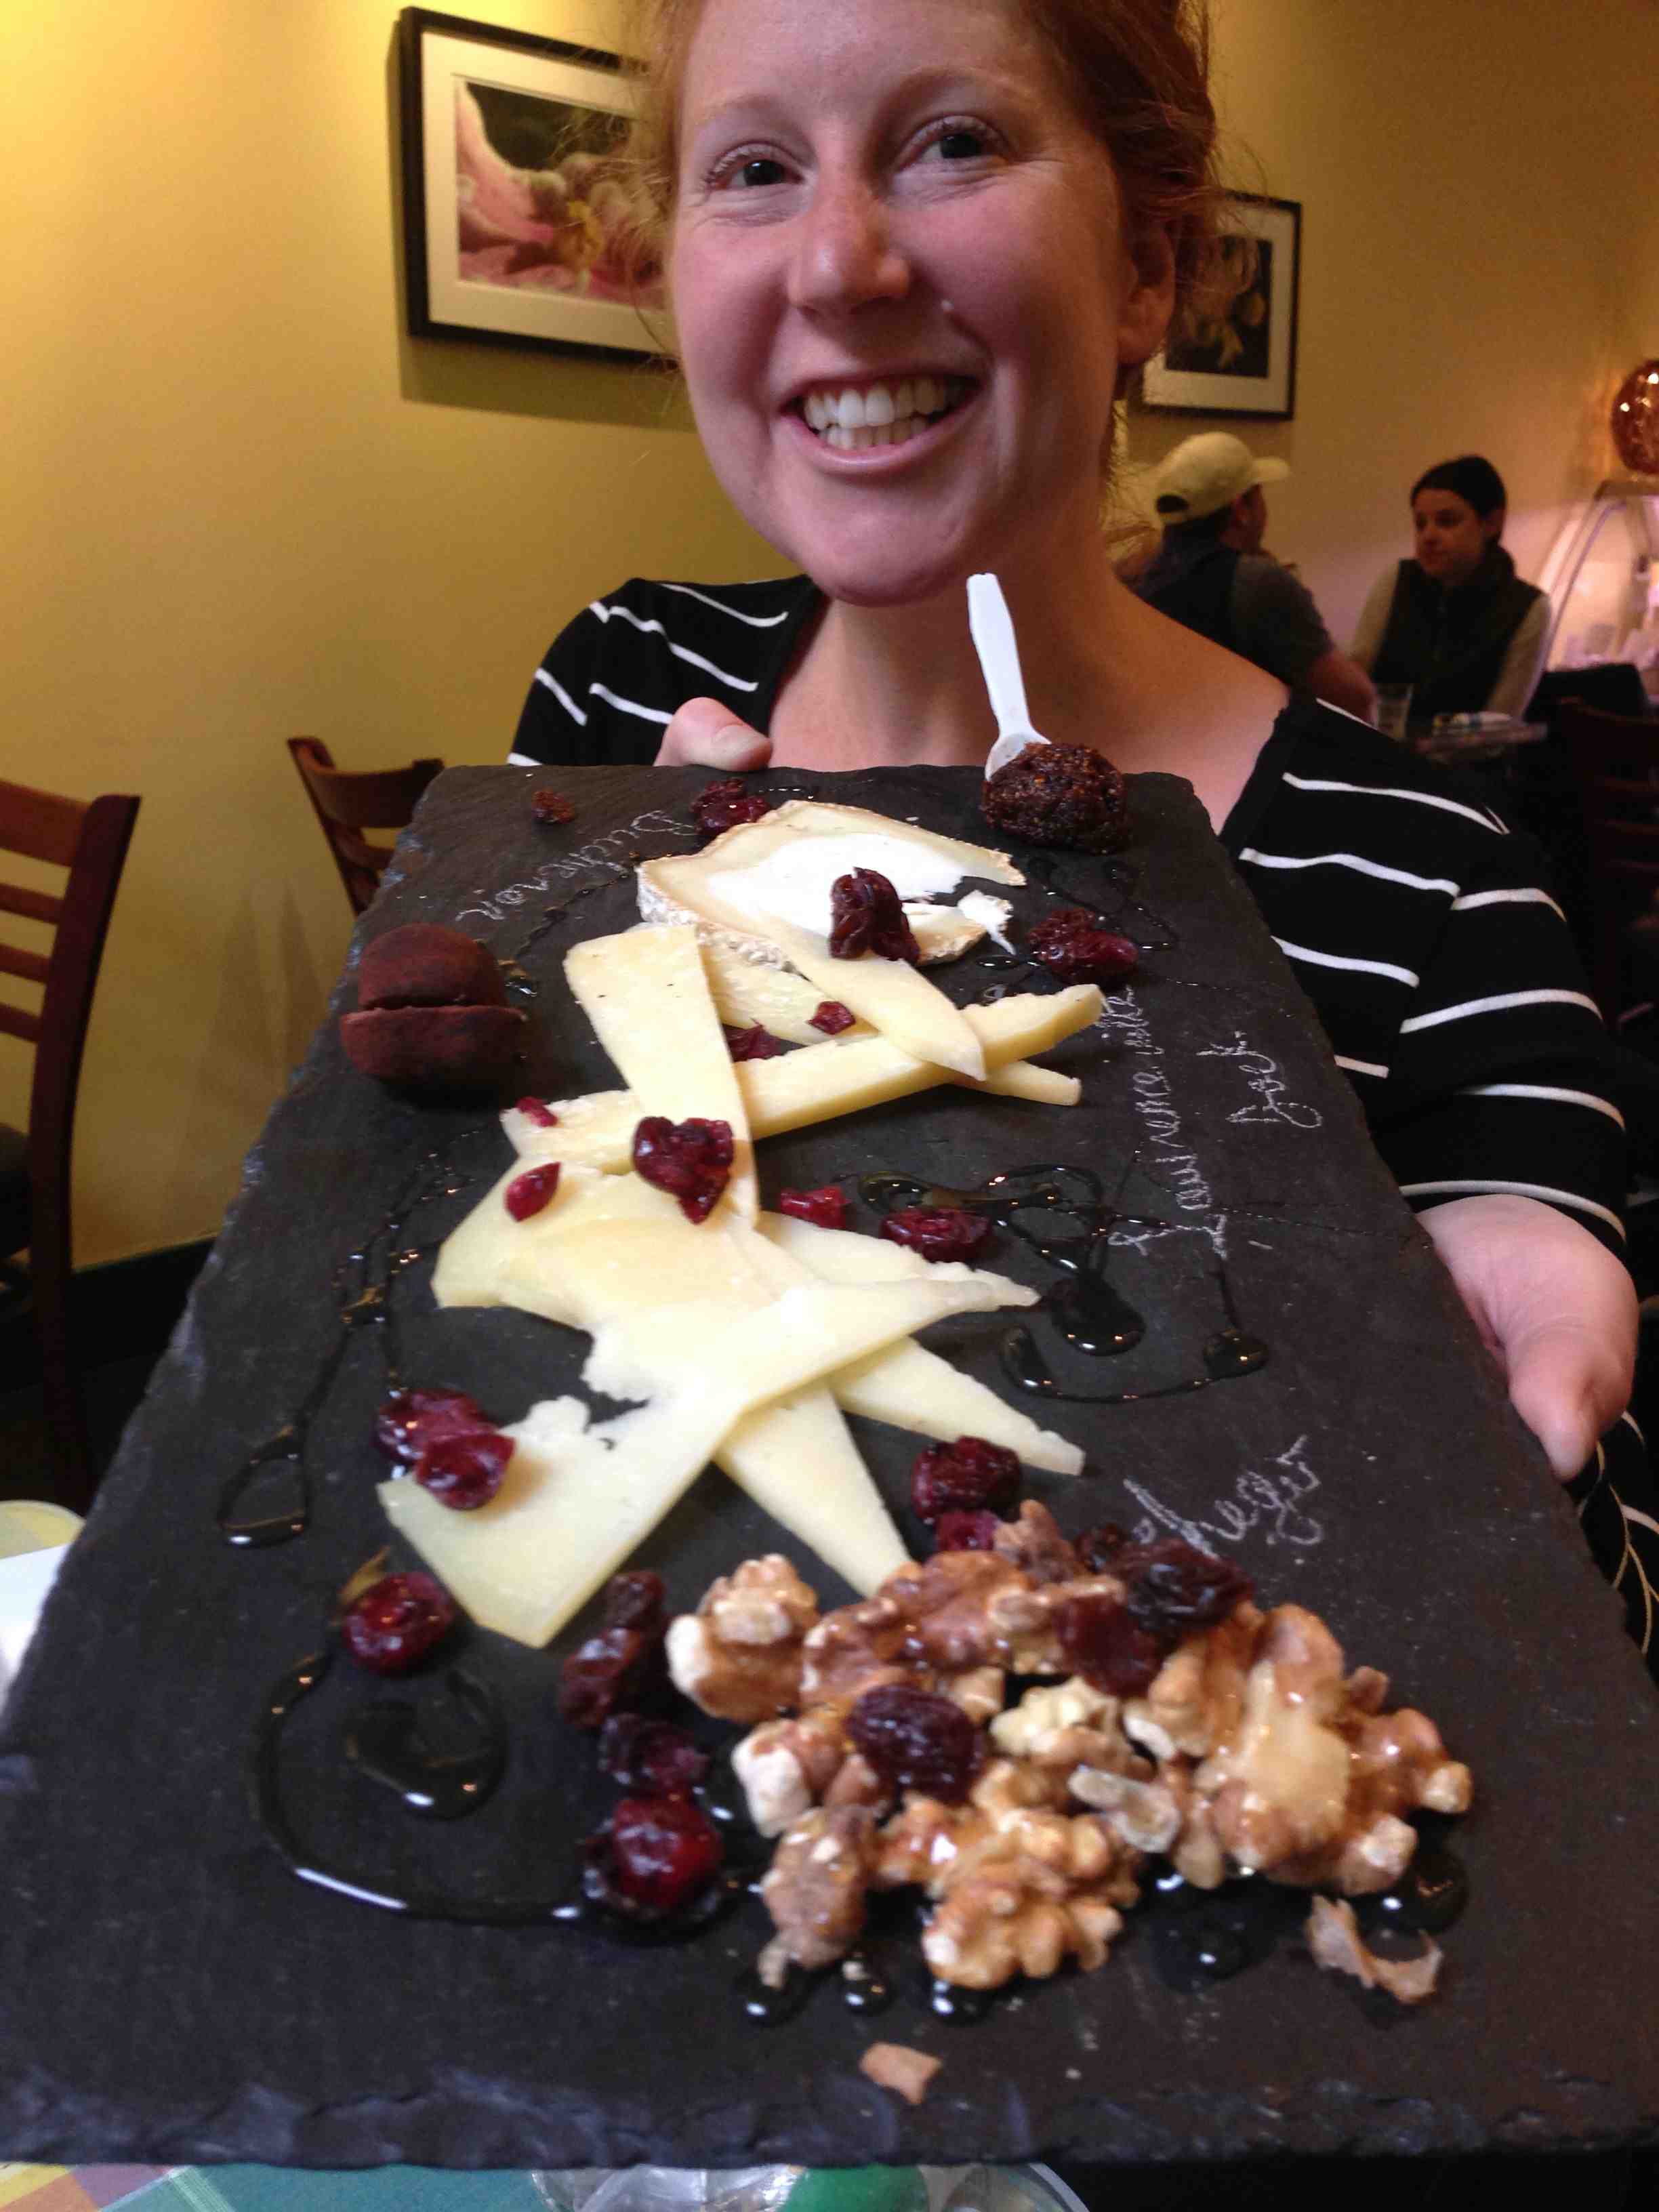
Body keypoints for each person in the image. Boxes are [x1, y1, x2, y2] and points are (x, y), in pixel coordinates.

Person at [508, 0, 1650, 1665]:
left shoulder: (1429, 879)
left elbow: (1579, 1661)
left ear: (1148, 268)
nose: (837, 262)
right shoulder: (616, 693)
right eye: (752, 168)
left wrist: (1473, 1352)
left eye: (953, 142)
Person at [1130, 430, 1376, 720]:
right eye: (1259, 494)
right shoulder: (1258, 582)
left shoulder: (1137, 576)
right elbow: (1354, 697)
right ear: (1241, 510)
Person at [1351, 455, 1550, 719]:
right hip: (1376, 741)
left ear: (1491, 523)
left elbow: (1503, 719)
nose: (1428, 536)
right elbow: (1355, 677)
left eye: (1447, 521)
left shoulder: (1528, 608)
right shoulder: (1397, 579)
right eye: (1420, 524)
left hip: (1468, 747)